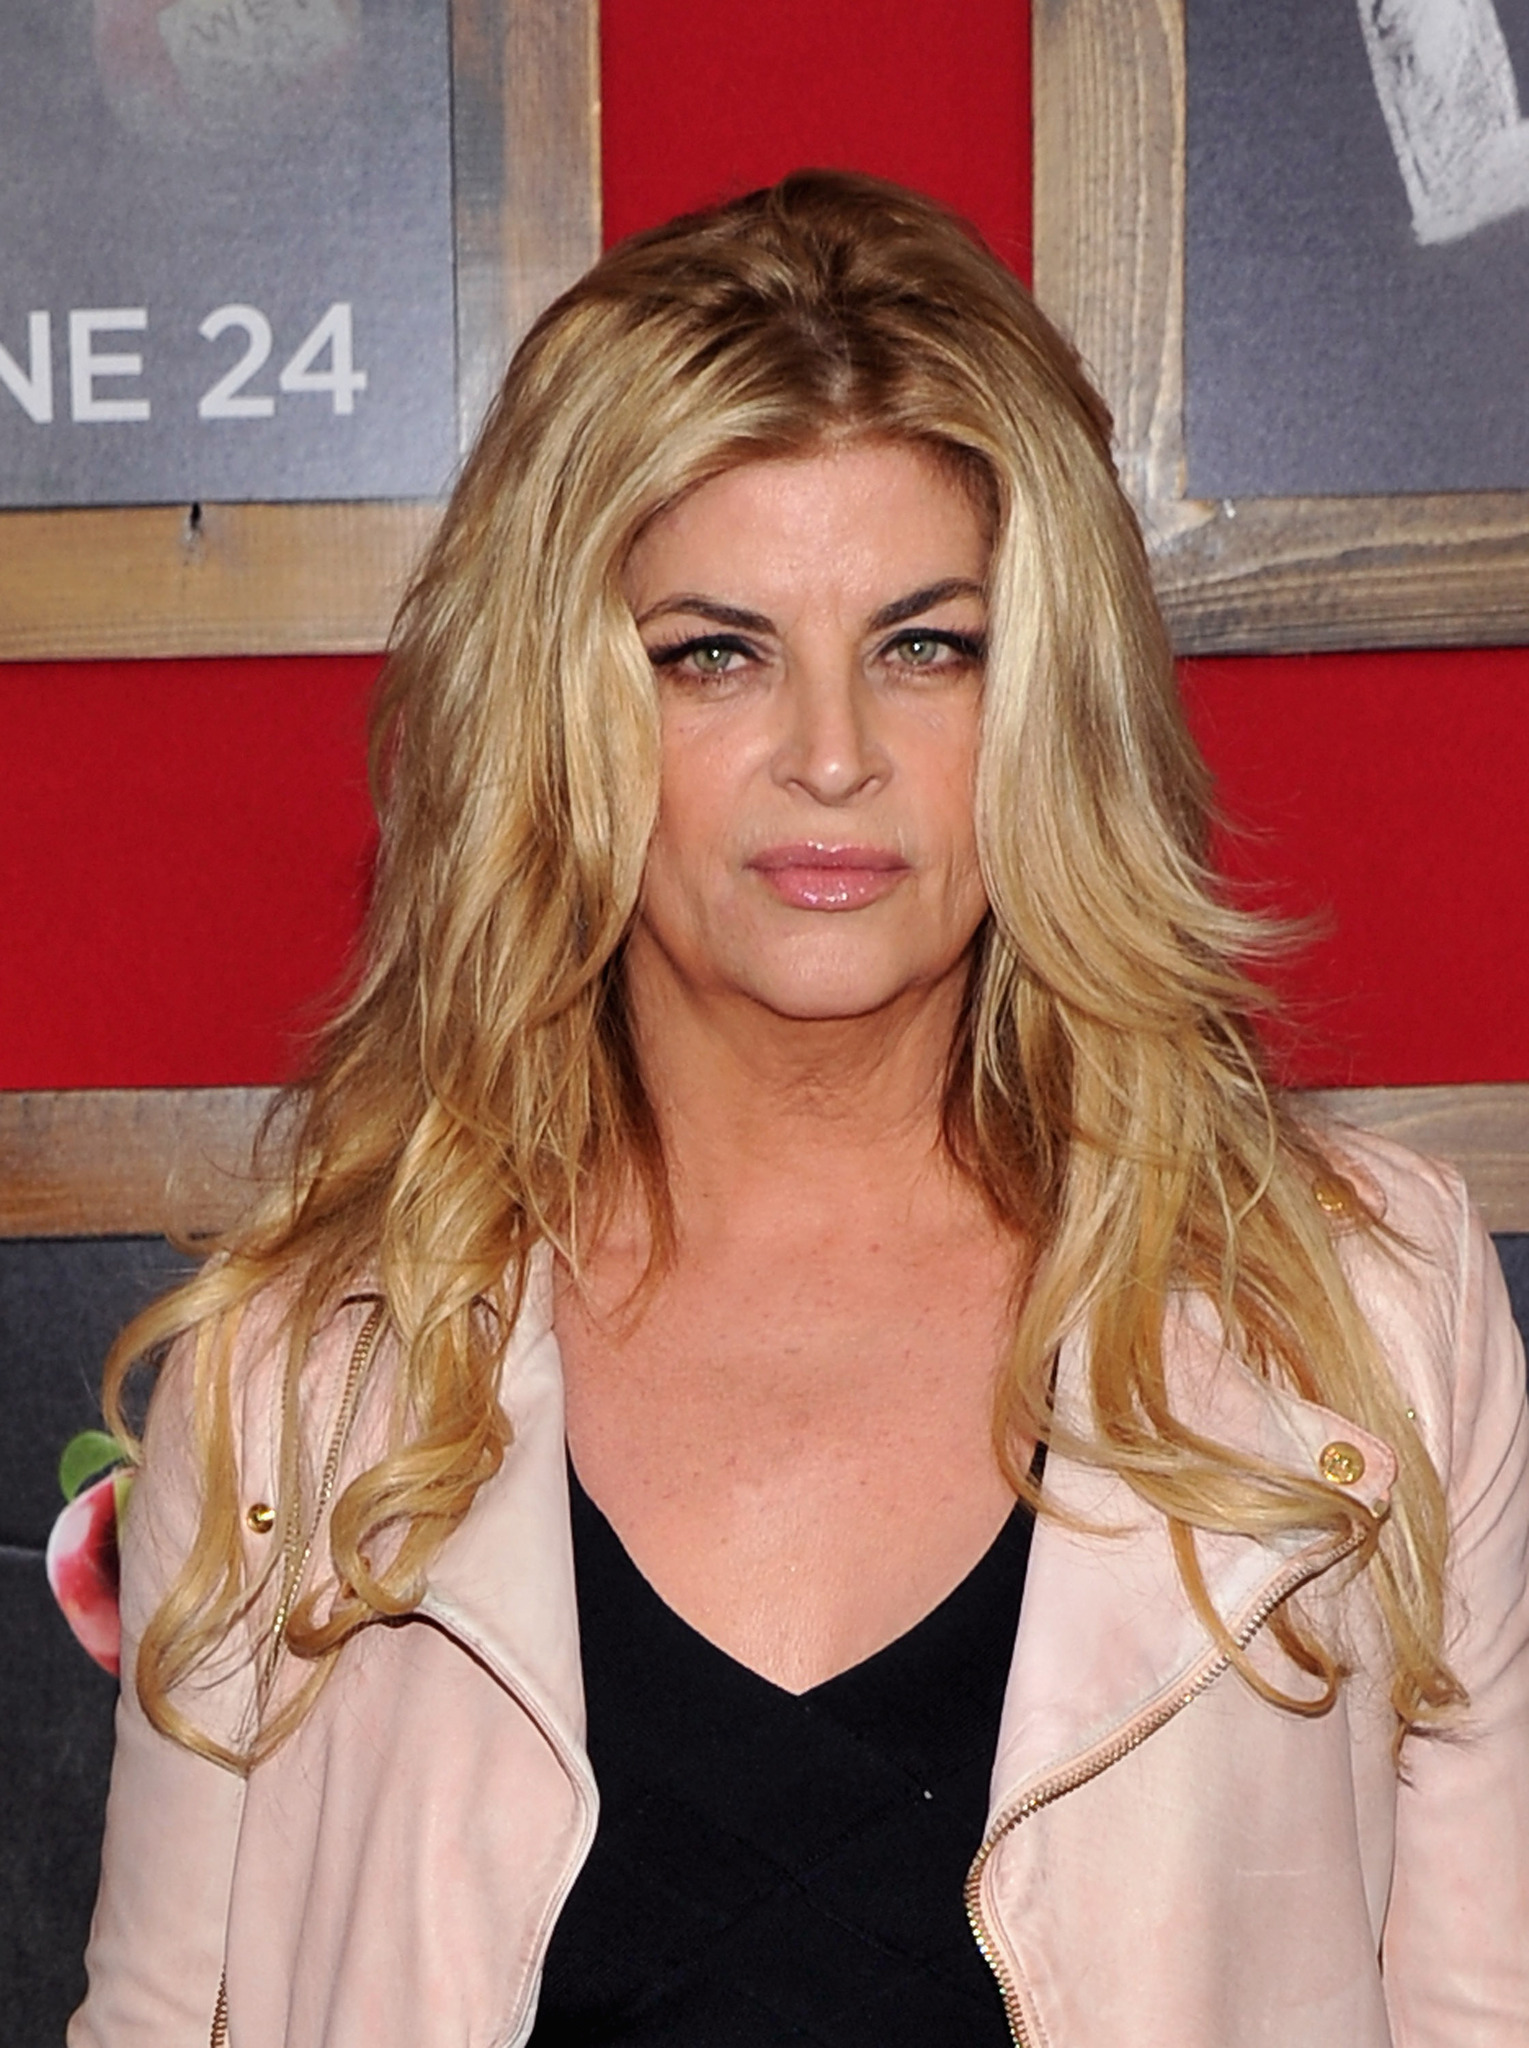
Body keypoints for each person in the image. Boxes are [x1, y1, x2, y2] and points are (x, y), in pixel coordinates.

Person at [72, 170, 1527, 2048]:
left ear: (1046, 700)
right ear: (558, 710)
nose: (831, 756)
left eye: (927, 645)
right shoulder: (306, 1378)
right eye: (714, 653)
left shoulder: (1362, 1313)